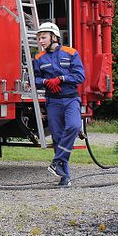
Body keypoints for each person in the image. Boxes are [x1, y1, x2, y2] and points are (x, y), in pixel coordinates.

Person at [33, 22, 85, 188]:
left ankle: (57, 161)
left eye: (43, 37)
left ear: (54, 37)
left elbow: (80, 76)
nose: (41, 41)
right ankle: (64, 177)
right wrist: (46, 82)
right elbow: (35, 80)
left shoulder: (71, 53)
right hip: (53, 101)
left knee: (74, 127)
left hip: (70, 99)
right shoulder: (39, 58)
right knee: (57, 137)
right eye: (39, 38)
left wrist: (62, 78)